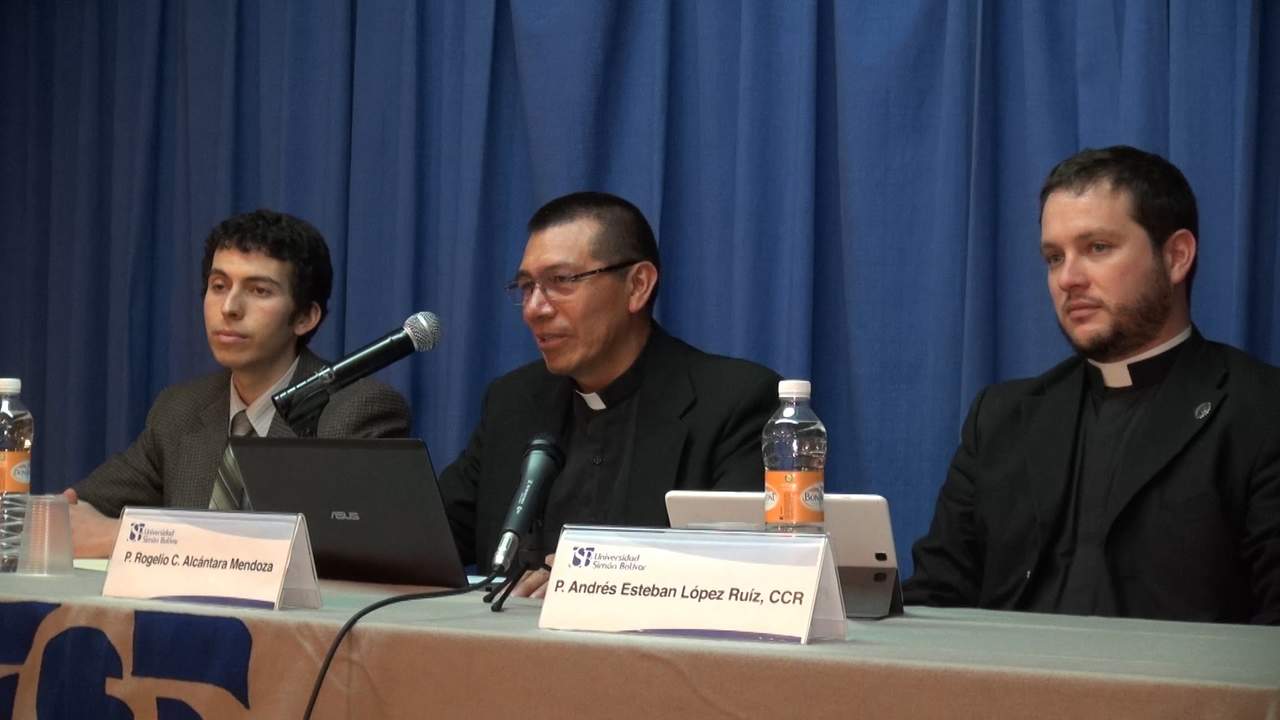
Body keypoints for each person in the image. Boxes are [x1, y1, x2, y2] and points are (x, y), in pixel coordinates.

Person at [903, 146, 1280, 624]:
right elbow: (935, 600)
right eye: (1054, 257)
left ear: (1176, 257)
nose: (1068, 279)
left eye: (1097, 247)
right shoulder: (1000, 419)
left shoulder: (1260, 411)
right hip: (1003, 672)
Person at [438, 191, 780, 596]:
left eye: (561, 281)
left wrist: (597, 580)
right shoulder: (513, 402)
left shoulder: (735, 402)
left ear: (637, 286)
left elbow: (742, 571)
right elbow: (429, 540)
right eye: (526, 286)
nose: (534, 309)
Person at [67, 209, 411, 556]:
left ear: (305, 317)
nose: (229, 307)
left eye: (259, 290)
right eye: (219, 286)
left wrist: (131, 536)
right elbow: (74, 512)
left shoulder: (355, 411)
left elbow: (325, 552)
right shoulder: (180, 410)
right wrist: (55, 517)